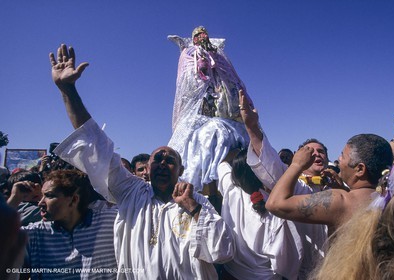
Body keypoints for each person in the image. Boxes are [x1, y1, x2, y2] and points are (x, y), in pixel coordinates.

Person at [49, 44, 235, 279]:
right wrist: (68, 91)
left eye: (170, 160)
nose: (162, 163)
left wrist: (192, 208)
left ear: (181, 169)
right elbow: (96, 144)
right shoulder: (130, 192)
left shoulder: (198, 201)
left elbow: (223, 252)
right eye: (157, 158)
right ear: (147, 168)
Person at [238, 90, 335, 278]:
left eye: (321, 151)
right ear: (299, 157)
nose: (316, 154)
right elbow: (272, 167)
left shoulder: (336, 188)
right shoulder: (295, 186)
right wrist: (252, 127)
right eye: (309, 151)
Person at [310, 145, 394, 280]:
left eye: (343, 155)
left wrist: (296, 165)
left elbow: (278, 202)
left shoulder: (345, 201)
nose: (339, 159)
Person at [167, 26, 251, 193]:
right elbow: (186, 81)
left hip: (223, 106)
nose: (201, 37)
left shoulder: (218, 53)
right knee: (207, 135)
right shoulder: (188, 53)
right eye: (197, 35)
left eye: (203, 34)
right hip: (198, 108)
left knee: (221, 130)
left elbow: (230, 77)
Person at [218, 148, 303, 280]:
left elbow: (221, 165)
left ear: (235, 173)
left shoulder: (230, 189)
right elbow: (283, 261)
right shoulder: (274, 207)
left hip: (232, 273)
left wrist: (236, 150)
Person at [19, 169, 118, 280]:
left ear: (74, 200)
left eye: (49, 196)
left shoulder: (110, 222)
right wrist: (14, 199)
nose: (40, 203)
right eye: (42, 195)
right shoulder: (34, 234)